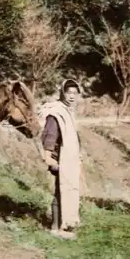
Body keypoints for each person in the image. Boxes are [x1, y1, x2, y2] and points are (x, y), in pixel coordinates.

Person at [40, 79, 82, 240]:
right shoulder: (56, 112)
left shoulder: (67, 111)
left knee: (66, 189)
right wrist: (49, 158)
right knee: (61, 191)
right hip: (59, 159)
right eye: (68, 92)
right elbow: (50, 135)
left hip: (69, 159)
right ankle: (56, 227)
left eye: (74, 93)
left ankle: (62, 224)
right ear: (62, 93)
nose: (71, 96)